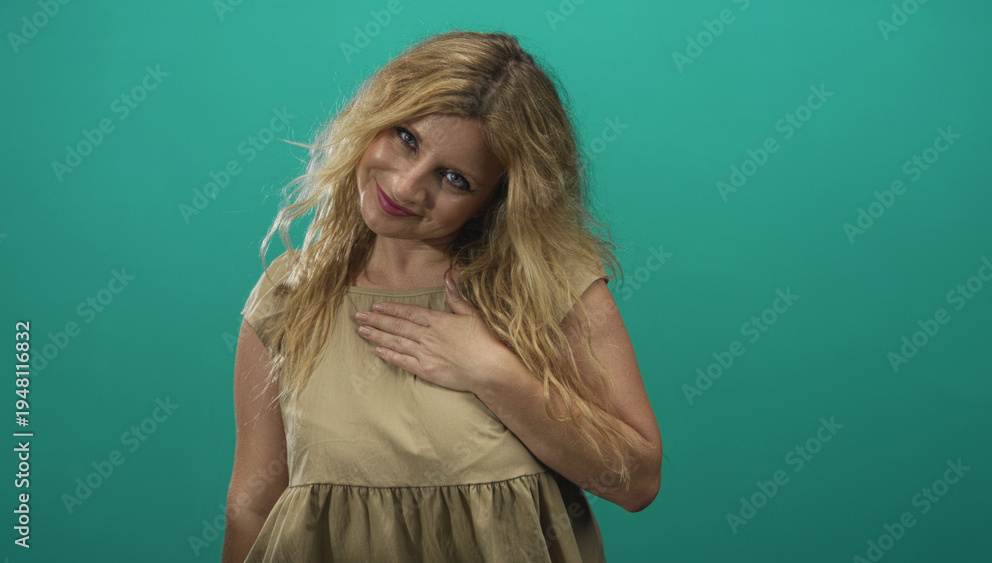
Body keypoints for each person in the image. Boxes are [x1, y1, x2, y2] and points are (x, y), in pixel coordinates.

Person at [222, 30, 662, 562]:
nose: (406, 187)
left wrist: (492, 372)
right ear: (375, 117)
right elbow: (251, 504)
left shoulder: (547, 286)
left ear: (495, 200)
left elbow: (637, 482)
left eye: (454, 178)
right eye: (406, 138)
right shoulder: (288, 295)